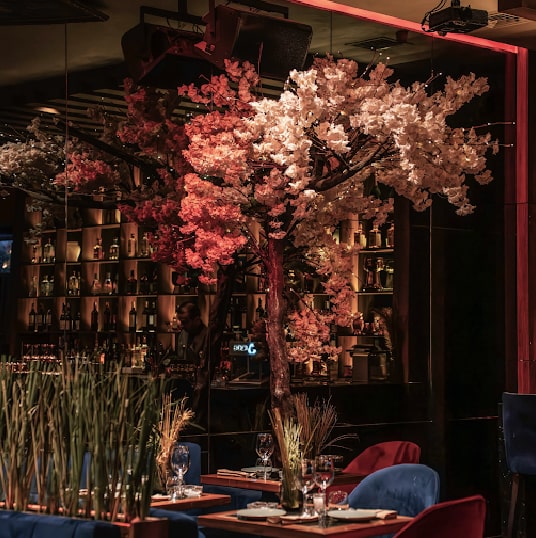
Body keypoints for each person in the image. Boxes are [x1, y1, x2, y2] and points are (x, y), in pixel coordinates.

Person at [175, 300, 209, 426]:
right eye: (180, 321)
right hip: (183, 388)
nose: (181, 325)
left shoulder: (207, 336)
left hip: (202, 391)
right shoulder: (183, 335)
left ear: (197, 319)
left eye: (184, 321)